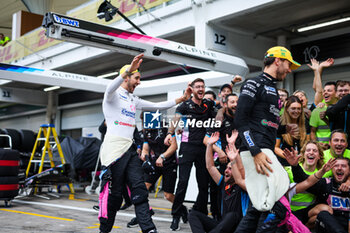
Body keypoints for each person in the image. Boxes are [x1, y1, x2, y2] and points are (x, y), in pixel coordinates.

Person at [98, 53, 192, 233]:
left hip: (130, 150)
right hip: (113, 153)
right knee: (114, 197)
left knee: (140, 191)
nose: (139, 82)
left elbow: (157, 106)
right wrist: (127, 70)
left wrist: (181, 99)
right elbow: (109, 88)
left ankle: (149, 229)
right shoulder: (112, 96)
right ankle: (104, 230)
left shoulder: (133, 99)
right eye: (136, 78)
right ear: (126, 77)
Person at [234, 46, 301, 232]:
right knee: (278, 205)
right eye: (288, 64)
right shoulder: (253, 83)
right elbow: (240, 121)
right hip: (257, 151)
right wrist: (255, 151)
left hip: (264, 150)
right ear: (277, 60)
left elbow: (263, 124)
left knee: (258, 208)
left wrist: (284, 129)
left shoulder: (272, 87)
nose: (289, 70)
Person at [164, 78, 217, 231]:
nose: (200, 89)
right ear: (192, 89)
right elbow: (175, 120)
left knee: (203, 184)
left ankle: (199, 214)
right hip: (187, 148)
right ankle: (176, 216)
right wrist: (170, 133)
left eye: (202, 86)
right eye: (197, 87)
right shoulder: (185, 105)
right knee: (183, 182)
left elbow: (222, 105)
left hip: (203, 149)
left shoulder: (209, 103)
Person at [188, 131, 248, 233]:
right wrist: (210, 145)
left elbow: (241, 170)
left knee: (232, 216)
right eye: (226, 168)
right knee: (193, 214)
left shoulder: (241, 185)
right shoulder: (223, 183)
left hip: (238, 228)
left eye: (230, 169)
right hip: (222, 227)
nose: (226, 170)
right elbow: (210, 166)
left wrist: (232, 147)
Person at [127, 125, 184, 228]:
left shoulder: (166, 128)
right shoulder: (146, 131)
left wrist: (162, 157)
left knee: (168, 195)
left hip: (169, 164)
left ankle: (180, 210)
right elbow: (145, 147)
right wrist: (144, 154)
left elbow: (174, 146)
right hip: (154, 163)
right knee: (143, 188)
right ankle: (143, 214)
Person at [287, 153, 350, 233]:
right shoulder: (326, 184)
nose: (339, 168)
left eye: (344, 166)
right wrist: (295, 166)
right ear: (332, 169)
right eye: (336, 166)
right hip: (328, 226)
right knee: (324, 213)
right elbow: (304, 179)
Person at [203, 94, 239, 220]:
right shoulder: (219, 119)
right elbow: (206, 139)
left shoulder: (242, 118)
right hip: (225, 160)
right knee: (219, 190)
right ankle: (219, 218)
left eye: (237, 102)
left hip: (240, 160)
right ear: (225, 104)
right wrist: (220, 151)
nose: (235, 104)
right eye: (232, 102)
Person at [284, 141, 326, 227]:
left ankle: (305, 228)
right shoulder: (289, 170)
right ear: (303, 154)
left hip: (307, 213)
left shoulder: (322, 173)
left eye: (315, 151)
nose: (311, 152)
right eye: (308, 150)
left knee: (326, 210)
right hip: (288, 211)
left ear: (319, 156)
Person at [275, 96, 310, 166]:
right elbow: (276, 147)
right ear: (287, 109)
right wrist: (289, 157)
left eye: (299, 109)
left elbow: (308, 144)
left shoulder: (305, 122)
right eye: (293, 108)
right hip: (284, 164)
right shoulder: (280, 124)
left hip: (302, 163)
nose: (296, 111)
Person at [309, 81, 338, 148]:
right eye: (324, 91)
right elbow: (312, 131)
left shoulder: (343, 109)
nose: (325, 92)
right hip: (322, 149)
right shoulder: (317, 110)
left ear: (336, 93)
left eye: (329, 90)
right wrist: (317, 146)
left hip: (338, 147)